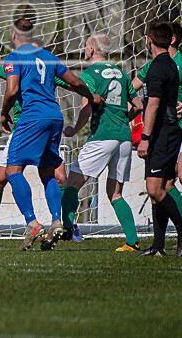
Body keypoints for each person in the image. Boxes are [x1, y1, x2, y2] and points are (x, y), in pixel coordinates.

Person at [0, 18, 97, 251]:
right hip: (55, 116)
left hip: (32, 116)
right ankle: (56, 221)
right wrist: (90, 96)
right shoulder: (50, 57)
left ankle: (32, 223)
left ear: (14, 36)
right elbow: (74, 81)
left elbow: (12, 89)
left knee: (12, 170)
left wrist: (4, 113)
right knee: (47, 171)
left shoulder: (14, 57)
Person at [0, 40, 73, 242]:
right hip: (22, 129)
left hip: (36, 126)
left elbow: (68, 82)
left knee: (59, 177)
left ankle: (63, 225)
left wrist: (86, 89)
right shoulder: (18, 65)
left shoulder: (37, 68)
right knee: (0, 179)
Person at [62, 33, 143, 251]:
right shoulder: (122, 73)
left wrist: (74, 129)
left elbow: (86, 107)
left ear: (90, 50)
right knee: (115, 193)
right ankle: (132, 241)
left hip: (102, 137)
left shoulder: (90, 74)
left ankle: (66, 229)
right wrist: (122, 120)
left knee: (72, 184)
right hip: (124, 138)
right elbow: (138, 106)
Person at [136, 20, 182, 256]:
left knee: (155, 189)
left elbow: (153, 104)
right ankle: (158, 246)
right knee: (160, 190)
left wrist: (145, 137)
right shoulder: (168, 65)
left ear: (149, 41)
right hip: (168, 131)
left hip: (162, 132)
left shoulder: (158, 67)